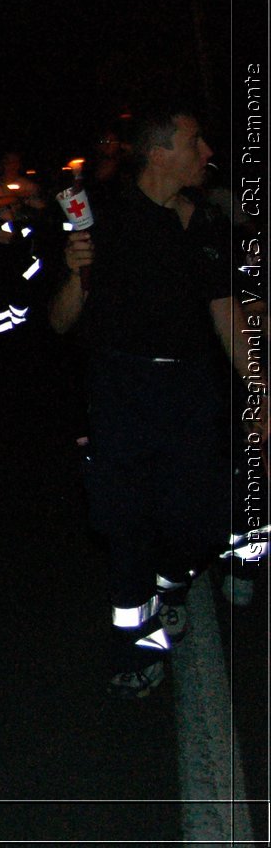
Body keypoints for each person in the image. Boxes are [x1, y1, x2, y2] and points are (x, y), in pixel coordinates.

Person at [48, 108, 260, 697]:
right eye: (195, 142)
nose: (207, 150)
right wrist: (74, 275)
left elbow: (228, 316)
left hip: (192, 394)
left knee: (199, 517)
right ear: (160, 154)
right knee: (126, 523)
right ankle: (136, 647)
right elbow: (62, 321)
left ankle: (171, 584)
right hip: (121, 393)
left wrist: (262, 393)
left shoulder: (207, 223)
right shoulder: (106, 221)